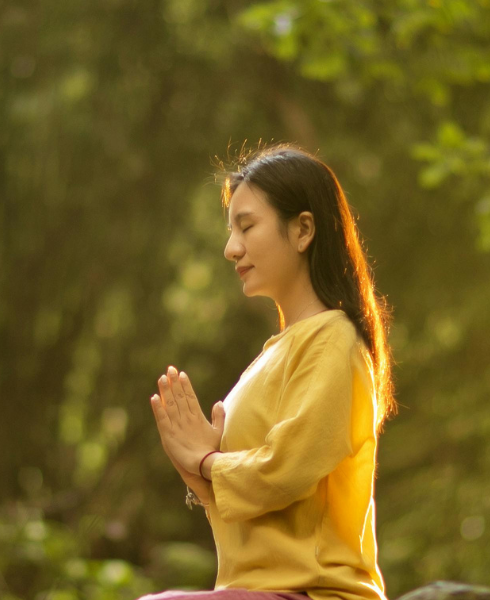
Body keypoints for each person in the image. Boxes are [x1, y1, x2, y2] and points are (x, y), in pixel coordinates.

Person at [142, 145, 394, 600]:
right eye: (231, 230)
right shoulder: (275, 353)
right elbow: (254, 506)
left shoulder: (333, 339)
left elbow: (285, 469)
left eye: (247, 226)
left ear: (302, 230)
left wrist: (206, 461)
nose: (230, 247)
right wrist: (195, 470)